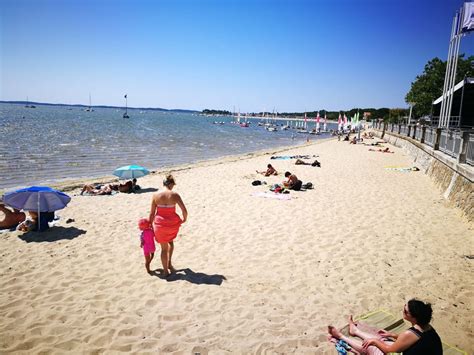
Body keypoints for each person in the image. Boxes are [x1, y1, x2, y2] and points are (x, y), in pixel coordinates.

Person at [328, 299, 442, 354]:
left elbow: (389, 350)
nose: (403, 310)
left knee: (372, 346)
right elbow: (413, 342)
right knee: (383, 339)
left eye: (405, 311)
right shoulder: (426, 327)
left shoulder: (410, 333)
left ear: (414, 318)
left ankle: (341, 336)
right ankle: (356, 331)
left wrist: (374, 342)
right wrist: (392, 335)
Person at [149, 174, 188, 278]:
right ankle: (169, 263)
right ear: (170, 184)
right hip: (171, 224)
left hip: (160, 225)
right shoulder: (174, 195)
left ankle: (166, 271)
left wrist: (149, 224)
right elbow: (184, 210)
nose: (173, 187)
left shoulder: (155, 195)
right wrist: (184, 219)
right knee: (170, 242)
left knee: (163, 249)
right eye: (173, 185)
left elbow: (152, 213)